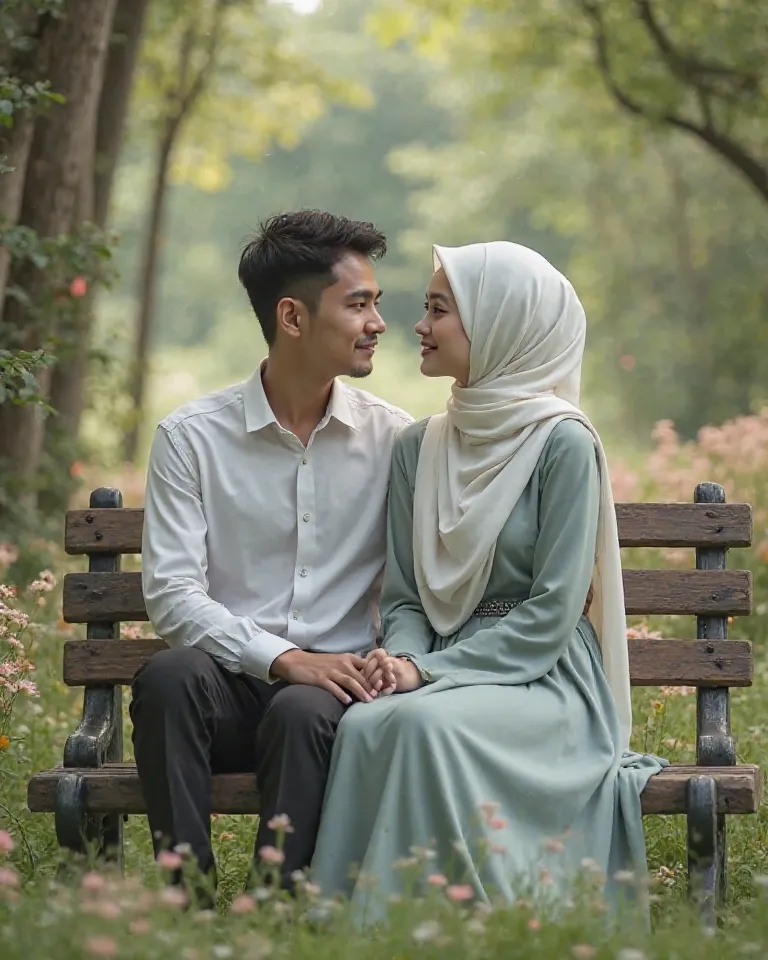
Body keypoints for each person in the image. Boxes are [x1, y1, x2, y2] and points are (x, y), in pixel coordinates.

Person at [311, 240, 667, 916]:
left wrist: (429, 676)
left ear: (500, 325)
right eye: (425, 308)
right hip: (440, 666)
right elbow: (407, 597)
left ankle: (443, 922)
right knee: (362, 727)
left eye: (439, 310)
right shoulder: (419, 447)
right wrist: (407, 659)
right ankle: (361, 925)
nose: (417, 326)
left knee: (421, 727)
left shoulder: (563, 444)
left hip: (543, 677)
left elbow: (551, 613)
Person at [130, 210, 413, 898]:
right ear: (292, 317)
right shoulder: (191, 438)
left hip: (335, 702)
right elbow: (171, 594)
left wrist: (370, 663)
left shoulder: (395, 441)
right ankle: (187, 897)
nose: (378, 322)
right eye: (358, 304)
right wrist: (283, 658)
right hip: (230, 685)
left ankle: (274, 903)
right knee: (169, 677)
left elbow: (415, 586)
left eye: (377, 303)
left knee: (303, 709)